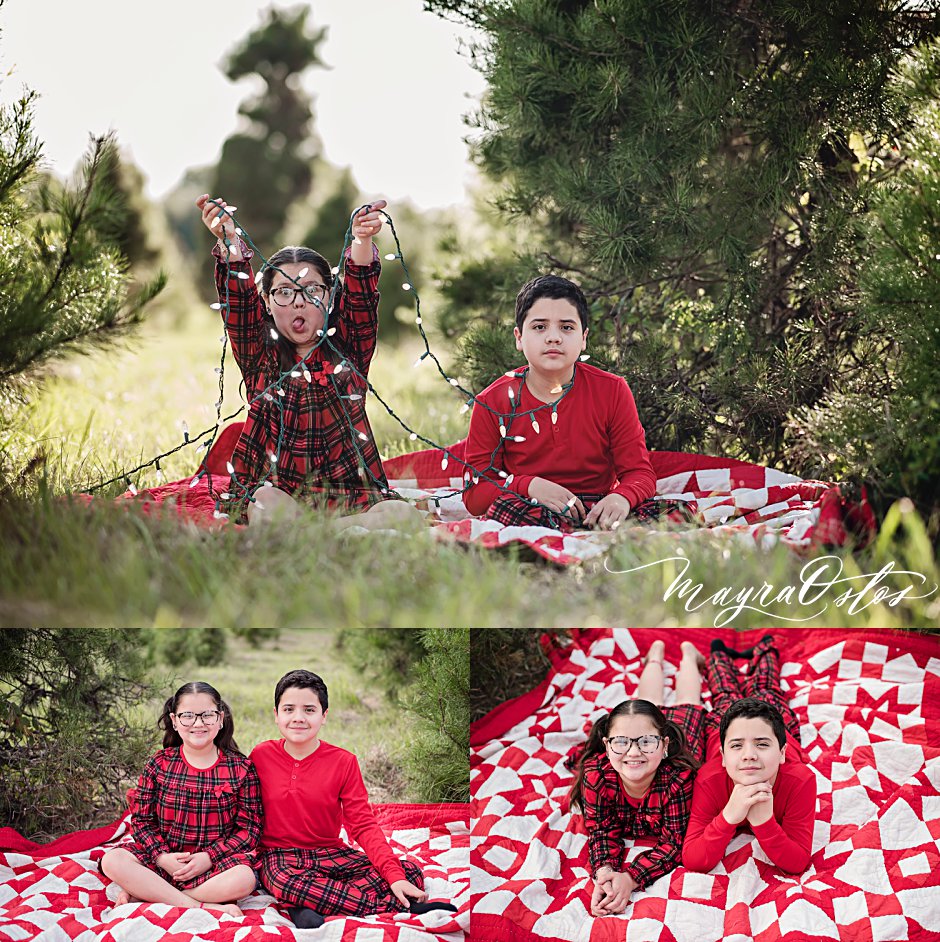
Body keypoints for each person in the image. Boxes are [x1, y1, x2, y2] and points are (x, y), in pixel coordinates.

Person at [196, 194, 421, 529]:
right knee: (263, 502)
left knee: (405, 517)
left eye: (312, 290)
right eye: (284, 292)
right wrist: (230, 241)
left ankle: (315, 534)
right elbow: (239, 302)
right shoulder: (261, 354)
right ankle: (331, 535)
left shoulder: (349, 349)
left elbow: (359, 297)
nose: (298, 302)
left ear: (329, 297)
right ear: (268, 304)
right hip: (279, 489)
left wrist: (362, 240)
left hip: (348, 491)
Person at [462, 274, 690, 531]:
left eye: (567, 327)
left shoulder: (612, 390)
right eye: (539, 327)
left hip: (599, 506)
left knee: (676, 511)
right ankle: (557, 537)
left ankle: (596, 533)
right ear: (519, 337)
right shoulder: (492, 401)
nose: (553, 338)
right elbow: (474, 494)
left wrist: (622, 497)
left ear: (583, 338)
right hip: (532, 507)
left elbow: (640, 474)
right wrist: (527, 485)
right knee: (503, 510)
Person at [250, 669, 457, 929]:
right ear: (276, 715)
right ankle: (392, 905)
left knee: (409, 872)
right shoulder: (261, 755)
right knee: (283, 881)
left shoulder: (343, 761)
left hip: (330, 853)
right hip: (281, 858)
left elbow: (362, 825)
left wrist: (395, 878)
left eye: (309, 710)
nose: (298, 718)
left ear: (324, 716)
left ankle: (305, 904)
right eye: (289, 709)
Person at [567, 640, 708, 917]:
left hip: (684, 737)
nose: (633, 753)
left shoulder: (678, 779)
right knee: (644, 706)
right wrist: (605, 872)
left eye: (645, 742)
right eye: (621, 742)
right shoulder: (596, 774)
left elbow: (673, 843)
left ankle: (688, 655)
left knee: (689, 702)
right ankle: (655, 656)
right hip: (645, 723)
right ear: (607, 746)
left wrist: (631, 878)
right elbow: (602, 830)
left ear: (664, 743)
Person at [100, 682, 261, 917]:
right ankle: (198, 905)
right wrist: (162, 857)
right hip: (162, 861)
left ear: (221, 718)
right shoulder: (160, 763)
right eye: (188, 716)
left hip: (212, 865)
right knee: (112, 860)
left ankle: (147, 893)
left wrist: (209, 857)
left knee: (244, 880)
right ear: (174, 721)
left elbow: (249, 830)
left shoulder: (241, 768)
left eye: (207, 715)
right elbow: (142, 821)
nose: (198, 723)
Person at [682, 637, 816, 874]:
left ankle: (765, 647)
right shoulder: (708, 779)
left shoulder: (801, 780)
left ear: (782, 753)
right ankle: (718, 653)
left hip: (772, 721)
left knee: (767, 688)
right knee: (723, 692)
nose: (749, 755)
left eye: (762, 745)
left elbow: (798, 862)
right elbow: (693, 859)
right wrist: (728, 816)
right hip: (726, 722)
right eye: (736, 747)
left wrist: (765, 823)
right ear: (724, 756)